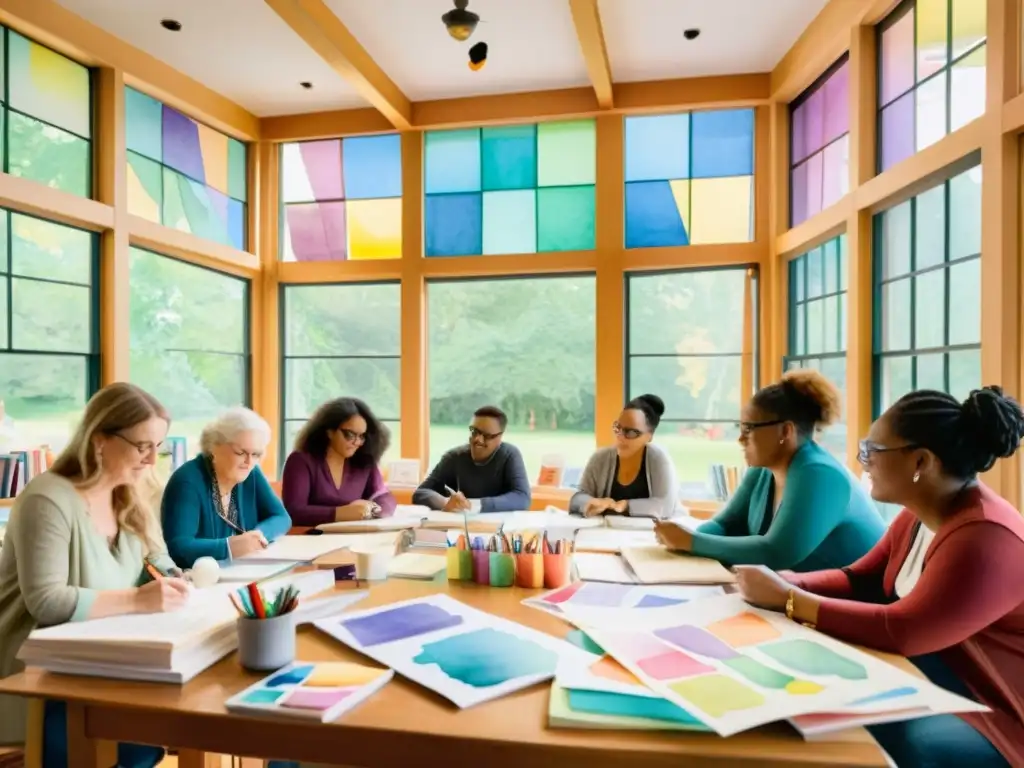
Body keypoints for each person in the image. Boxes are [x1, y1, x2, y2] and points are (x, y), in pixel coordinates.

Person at [735, 386, 1024, 767]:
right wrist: (788, 582)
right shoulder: (918, 514)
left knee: (863, 733)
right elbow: (861, 580)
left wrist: (788, 600)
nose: (863, 461)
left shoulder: (986, 537)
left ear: (920, 461)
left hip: (994, 710)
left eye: (873, 451)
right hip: (931, 677)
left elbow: (906, 630)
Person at [0, 383, 189, 768]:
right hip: (35, 674)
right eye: (142, 447)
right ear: (100, 440)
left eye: (159, 447)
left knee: (153, 734)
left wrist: (173, 575)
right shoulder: (47, 498)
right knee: (133, 741)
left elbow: (157, 555)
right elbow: (47, 602)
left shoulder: (130, 492)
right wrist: (139, 599)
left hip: (98, 663)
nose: (152, 460)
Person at [655, 370, 884, 571]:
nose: (740, 439)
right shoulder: (764, 469)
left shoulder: (819, 474)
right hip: (801, 597)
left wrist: (692, 542)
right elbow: (726, 525)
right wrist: (681, 540)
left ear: (785, 431)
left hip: (859, 604)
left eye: (748, 429)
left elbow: (776, 553)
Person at [161, 407, 291, 568]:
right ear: (214, 446)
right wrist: (229, 547)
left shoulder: (251, 472)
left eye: (256, 454)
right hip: (198, 581)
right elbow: (178, 548)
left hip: (244, 571)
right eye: (240, 452)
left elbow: (281, 517)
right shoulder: (187, 481)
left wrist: (258, 537)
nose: (249, 461)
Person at [281, 397, 397, 526]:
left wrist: (372, 509)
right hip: (310, 539)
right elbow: (293, 512)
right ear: (329, 431)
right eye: (350, 434)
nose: (357, 442)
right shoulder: (300, 461)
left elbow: (385, 497)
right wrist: (340, 513)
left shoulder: (364, 462)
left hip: (353, 539)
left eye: (361, 436)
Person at [569, 394, 678, 518]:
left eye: (631, 432)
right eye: (618, 428)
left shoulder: (659, 460)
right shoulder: (600, 458)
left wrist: (626, 505)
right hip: (605, 534)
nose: (620, 437)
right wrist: (589, 502)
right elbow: (577, 498)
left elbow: (665, 506)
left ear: (649, 436)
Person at [413, 405, 530, 513]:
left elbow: (522, 498)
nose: (478, 439)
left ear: (500, 437)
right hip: (459, 529)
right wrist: (445, 502)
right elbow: (420, 493)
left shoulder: (510, 455)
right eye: (474, 432)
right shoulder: (454, 457)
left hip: (500, 529)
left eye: (487, 436)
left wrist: (476, 504)